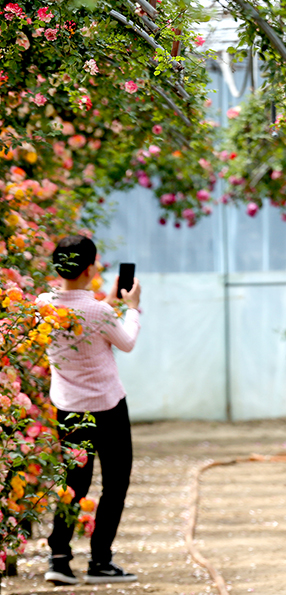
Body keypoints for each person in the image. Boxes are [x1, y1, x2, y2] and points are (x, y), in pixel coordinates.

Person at [38, 235, 142, 585]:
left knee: (73, 484)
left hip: (68, 409)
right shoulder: (100, 311)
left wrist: (111, 303)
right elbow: (124, 341)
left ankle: (59, 558)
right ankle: (100, 560)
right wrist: (134, 308)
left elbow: (87, 321)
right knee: (115, 483)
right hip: (108, 408)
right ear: (89, 269)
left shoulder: (44, 304)